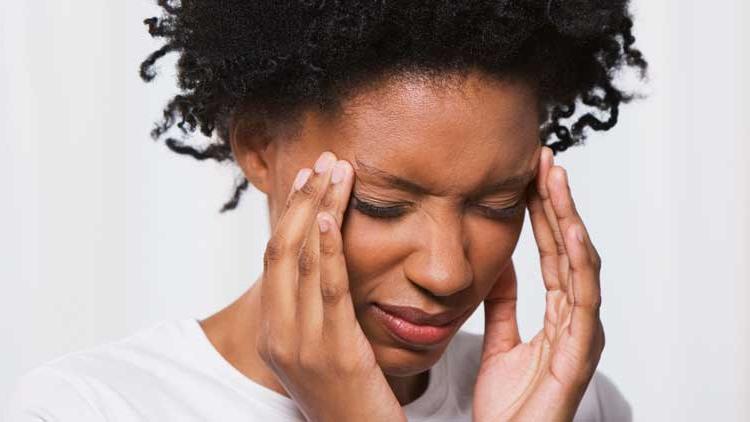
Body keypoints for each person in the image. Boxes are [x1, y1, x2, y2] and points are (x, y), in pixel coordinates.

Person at [6, 0, 647, 420]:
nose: (449, 273)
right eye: (384, 204)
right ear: (259, 148)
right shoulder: (88, 409)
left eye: (498, 204)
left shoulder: (568, 402)